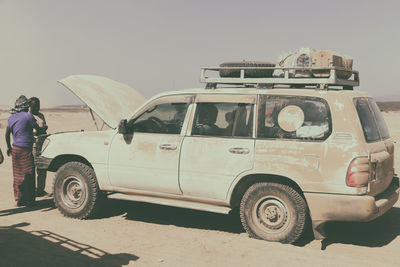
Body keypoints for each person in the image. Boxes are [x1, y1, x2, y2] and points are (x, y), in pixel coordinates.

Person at [5, 95, 43, 207]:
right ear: (25, 106)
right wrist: (43, 129)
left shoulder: (11, 118)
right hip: (26, 150)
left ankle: (20, 199)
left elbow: (7, 134)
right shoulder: (28, 116)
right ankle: (30, 199)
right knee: (29, 174)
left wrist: (8, 147)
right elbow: (38, 129)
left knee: (17, 175)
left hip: (15, 150)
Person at [29, 97, 49, 197]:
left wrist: (43, 129)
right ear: (30, 106)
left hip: (42, 144)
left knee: (42, 168)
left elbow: (44, 128)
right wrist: (40, 130)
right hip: (32, 145)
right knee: (32, 168)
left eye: (38, 106)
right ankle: (32, 190)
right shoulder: (28, 116)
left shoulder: (41, 115)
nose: (37, 108)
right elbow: (33, 131)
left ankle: (40, 190)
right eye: (35, 106)